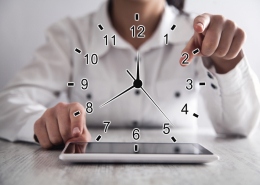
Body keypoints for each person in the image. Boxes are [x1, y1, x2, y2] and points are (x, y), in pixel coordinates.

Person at [0, 0, 259, 149]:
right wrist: (43, 122)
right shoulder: (70, 35)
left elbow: (239, 128)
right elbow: (7, 106)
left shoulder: (199, 37)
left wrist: (228, 64)